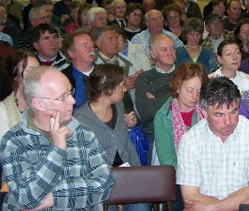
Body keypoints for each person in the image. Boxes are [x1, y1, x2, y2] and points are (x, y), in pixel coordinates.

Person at [0, 66, 115, 210]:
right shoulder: (14, 142)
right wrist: (57, 151)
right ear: (39, 104)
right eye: (63, 97)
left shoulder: (84, 134)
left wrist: (54, 198)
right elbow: (27, 198)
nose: (72, 100)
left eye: (70, 92)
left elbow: (105, 185)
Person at [176, 77, 249, 210]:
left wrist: (212, 208)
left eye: (233, 112)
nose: (228, 121)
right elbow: (190, 198)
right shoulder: (190, 141)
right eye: (219, 115)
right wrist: (238, 204)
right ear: (204, 112)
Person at [75, 64, 151, 211]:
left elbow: (120, 140)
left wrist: (128, 126)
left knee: (141, 205)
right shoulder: (81, 119)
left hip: (129, 174)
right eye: (121, 85)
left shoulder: (119, 106)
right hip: (101, 183)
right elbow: (83, 163)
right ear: (109, 90)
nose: (124, 89)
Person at [154, 63, 208, 210]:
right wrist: (193, 178)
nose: (195, 96)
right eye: (190, 90)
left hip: (209, 172)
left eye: (199, 91)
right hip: (179, 177)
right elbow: (168, 161)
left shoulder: (207, 110)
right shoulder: (163, 117)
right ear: (177, 87)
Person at [135, 34, 176, 164]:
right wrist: (176, 95)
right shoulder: (144, 78)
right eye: (164, 50)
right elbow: (146, 110)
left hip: (183, 131)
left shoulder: (185, 73)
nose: (170, 53)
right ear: (152, 53)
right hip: (153, 132)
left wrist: (156, 99)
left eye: (173, 48)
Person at [0, 50, 39, 140]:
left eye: (39, 69)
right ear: (15, 75)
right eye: (31, 70)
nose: (37, 74)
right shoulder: (3, 110)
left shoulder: (48, 101)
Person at [60, 29, 96, 110]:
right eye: (85, 46)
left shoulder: (106, 74)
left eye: (92, 45)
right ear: (71, 53)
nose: (91, 49)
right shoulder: (63, 78)